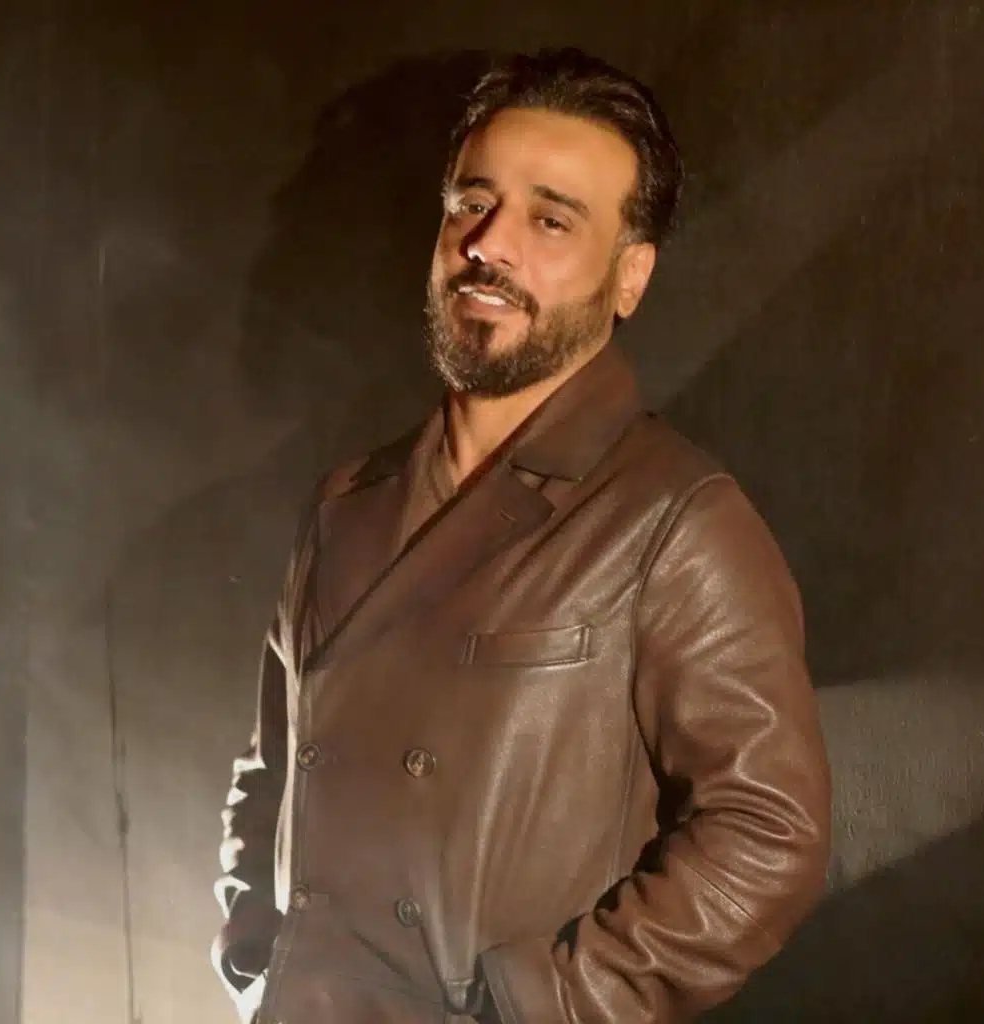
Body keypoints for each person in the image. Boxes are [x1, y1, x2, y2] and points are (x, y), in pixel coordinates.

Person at [212, 47, 831, 1024]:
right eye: (472, 202)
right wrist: (255, 956)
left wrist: (546, 1001)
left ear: (629, 276)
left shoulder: (674, 517)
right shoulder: (345, 502)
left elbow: (768, 830)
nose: (488, 244)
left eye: (551, 220)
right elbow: (269, 774)